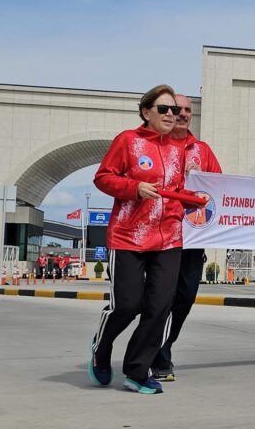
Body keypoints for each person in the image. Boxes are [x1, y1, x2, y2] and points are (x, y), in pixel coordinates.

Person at [89, 84, 200, 395]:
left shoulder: (179, 150)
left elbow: (179, 192)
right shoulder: (128, 141)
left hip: (169, 238)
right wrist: (134, 188)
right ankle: (101, 346)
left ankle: (137, 371)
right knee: (127, 305)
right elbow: (103, 177)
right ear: (146, 112)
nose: (171, 114)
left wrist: (195, 191)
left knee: (161, 307)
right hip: (129, 236)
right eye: (163, 109)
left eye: (174, 110)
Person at [150, 93, 222, 382]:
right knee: (159, 298)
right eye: (175, 108)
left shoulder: (202, 150)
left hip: (192, 239)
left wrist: (203, 177)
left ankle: (163, 346)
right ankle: (158, 355)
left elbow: (220, 189)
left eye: (187, 110)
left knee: (185, 297)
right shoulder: (155, 146)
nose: (181, 114)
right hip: (159, 235)